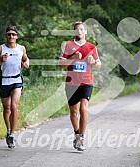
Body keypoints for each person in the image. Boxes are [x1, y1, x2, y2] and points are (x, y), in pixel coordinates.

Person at [59, 21, 101, 151]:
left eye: (82, 29)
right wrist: (73, 57)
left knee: (83, 108)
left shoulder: (92, 47)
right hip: (71, 83)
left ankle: (81, 138)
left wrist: (93, 62)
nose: (79, 31)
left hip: (86, 82)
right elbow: (61, 65)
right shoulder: (68, 45)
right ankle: (76, 133)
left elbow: (98, 65)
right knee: (73, 111)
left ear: (86, 32)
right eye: (77, 29)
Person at [0, 25, 29, 148]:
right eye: (9, 34)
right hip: (4, 81)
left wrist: (25, 64)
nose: (11, 36)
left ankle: (12, 134)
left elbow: (26, 60)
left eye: (13, 34)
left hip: (16, 80)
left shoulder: (21, 48)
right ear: (6, 36)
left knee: (14, 106)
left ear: (16, 36)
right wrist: (1, 60)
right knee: (7, 109)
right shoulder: (0, 49)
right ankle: (8, 130)